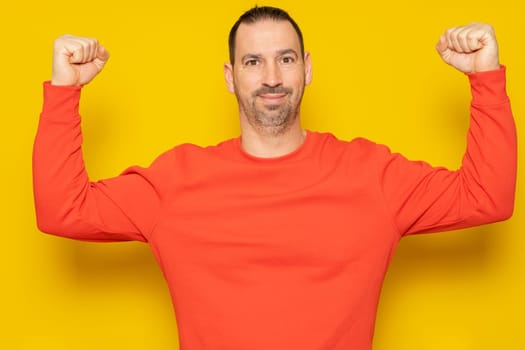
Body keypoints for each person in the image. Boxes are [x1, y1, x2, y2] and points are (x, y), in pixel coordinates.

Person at [33, 5, 516, 350]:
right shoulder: (175, 183)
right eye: (252, 61)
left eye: (285, 59)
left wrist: (485, 77)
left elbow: (486, 198)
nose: (271, 77)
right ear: (230, 76)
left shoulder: (372, 176)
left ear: (306, 70)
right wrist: (64, 91)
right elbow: (64, 212)